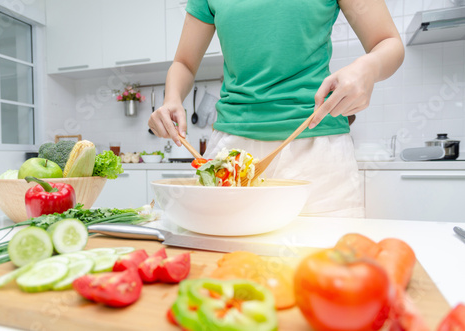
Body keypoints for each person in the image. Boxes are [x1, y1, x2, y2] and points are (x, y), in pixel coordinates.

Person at [148, 0, 404, 218]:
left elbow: (388, 42)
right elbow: (184, 62)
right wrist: (171, 98)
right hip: (231, 153)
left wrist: (367, 67)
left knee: (326, 262)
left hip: (317, 154)